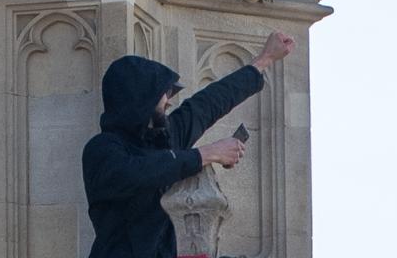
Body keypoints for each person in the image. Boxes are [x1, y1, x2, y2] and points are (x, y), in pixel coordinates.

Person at [82, 30, 296, 258]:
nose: (169, 100)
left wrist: (264, 60)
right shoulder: (102, 150)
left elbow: (209, 104)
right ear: (140, 99)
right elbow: (142, 172)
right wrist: (206, 154)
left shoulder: (166, 138)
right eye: (162, 93)